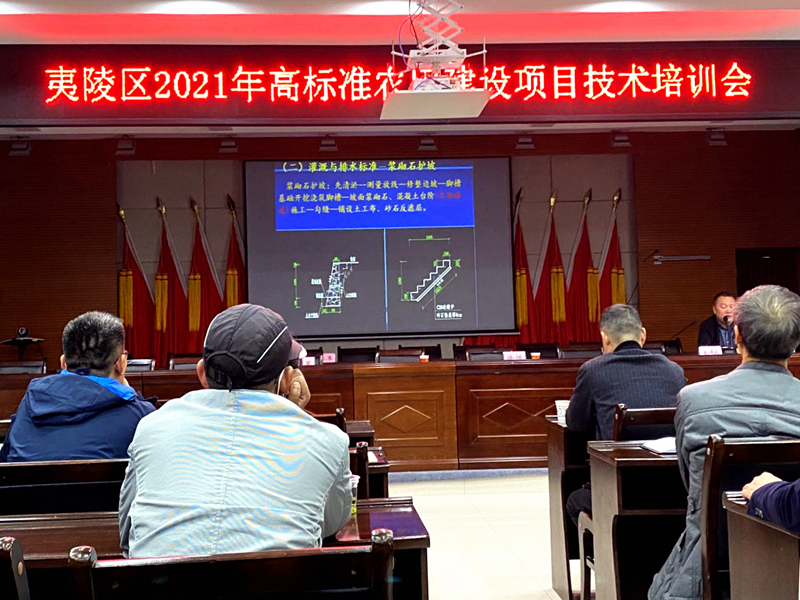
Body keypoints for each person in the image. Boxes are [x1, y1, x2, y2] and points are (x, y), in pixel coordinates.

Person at [119, 303, 352, 558]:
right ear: (287, 380)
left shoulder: (151, 428)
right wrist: (294, 415)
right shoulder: (328, 441)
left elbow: (128, 532)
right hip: (279, 580)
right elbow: (331, 523)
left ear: (202, 374)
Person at [649, 285, 800, 600]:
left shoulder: (693, 399)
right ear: (796, 341)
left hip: (707, 567)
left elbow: (691, 484)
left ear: (737, 335)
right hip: (793, 570)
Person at [565, 304, 686, 526]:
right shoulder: (674, 370)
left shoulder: (593, 370)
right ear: (643, 335)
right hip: (674, 487)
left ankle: (602, 548)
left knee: (574, 502)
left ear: (604, 337)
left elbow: (576, 424)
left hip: (619, 487)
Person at [0, 312, 154, 462]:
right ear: (120, 363)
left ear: (63, 363)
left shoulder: (30, 402)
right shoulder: (142, 416)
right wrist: (133, 397)